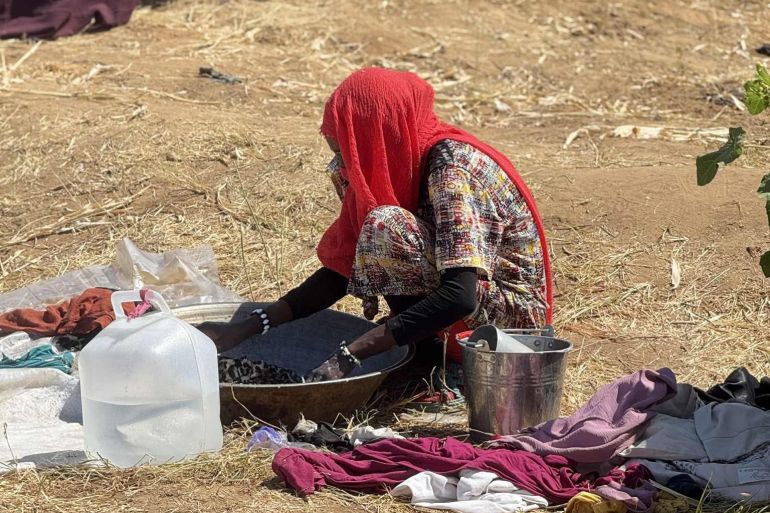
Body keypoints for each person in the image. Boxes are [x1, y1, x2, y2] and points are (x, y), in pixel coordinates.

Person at [200, 68, 552, 387]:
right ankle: (422, 355)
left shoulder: (451, 168)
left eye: (348, 151)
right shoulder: (396, 165)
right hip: (463, 307)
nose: (341, 164)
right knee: (381, 229)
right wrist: (246, 327)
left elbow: (461, 294)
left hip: (508, 331)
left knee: (388, 227)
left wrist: (351, 354)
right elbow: (343, 270)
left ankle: (442, 367)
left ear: (378, 137)